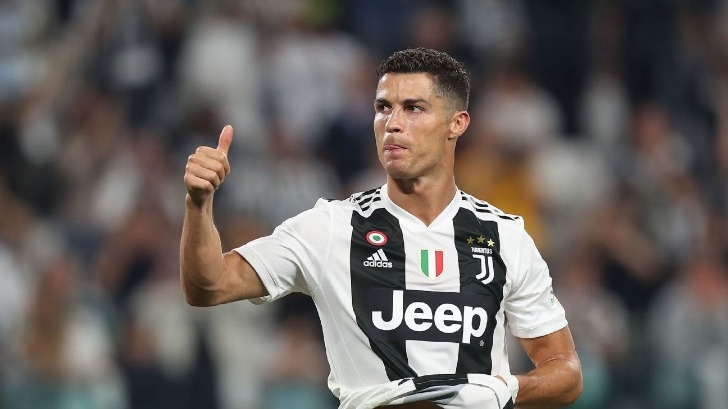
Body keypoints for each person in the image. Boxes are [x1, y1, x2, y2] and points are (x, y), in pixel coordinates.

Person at [181, 47, 583, 409]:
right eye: (382, 107)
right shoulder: (331, 228)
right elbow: (208, 286)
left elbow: (565, 371)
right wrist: (199, 204)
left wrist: (503, 389)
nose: (392, 123)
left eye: (413, 108)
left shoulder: (504, 236)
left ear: (457, 124)